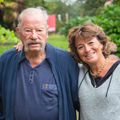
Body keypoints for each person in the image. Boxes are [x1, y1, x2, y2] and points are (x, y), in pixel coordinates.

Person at [0, 7, 79, 120]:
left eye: (39, 30)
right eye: (27, 30)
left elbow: (83, 102)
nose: (34, 36)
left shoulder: (66, 62)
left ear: (47, 32)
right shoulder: (5, 61)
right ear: (18, 32)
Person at [68, 23, 120, 120]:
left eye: (91, 43)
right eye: (80, 47)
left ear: (102, 44)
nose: (87, 49)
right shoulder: (79, 72)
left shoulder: (118, 71)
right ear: (77, 53)